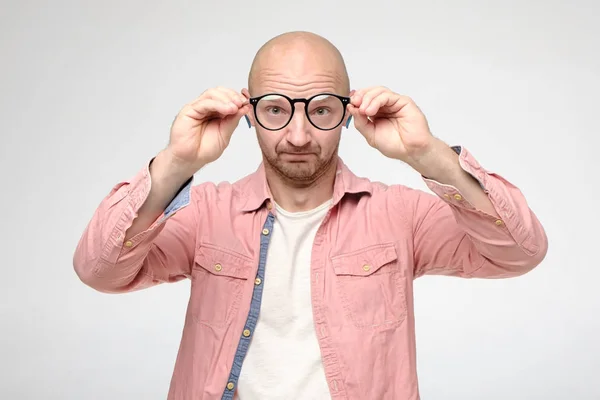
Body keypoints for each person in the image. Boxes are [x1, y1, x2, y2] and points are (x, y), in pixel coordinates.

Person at [73, 31, 548, 400]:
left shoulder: (398, 214)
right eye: (276, 109)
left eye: (320, 109)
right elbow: (99, 270)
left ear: (347, 110)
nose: (298, 135)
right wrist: (178, 161)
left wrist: (426, 153)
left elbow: (521, 251)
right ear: (248, 110)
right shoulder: (206, 214)